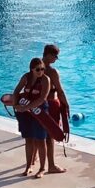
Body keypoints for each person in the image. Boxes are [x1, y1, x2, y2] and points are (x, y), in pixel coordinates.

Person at [1, 58, 52, 178]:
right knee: (28, 139)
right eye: (38, 69)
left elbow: (42, 98)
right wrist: (16, 105)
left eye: (42, 69)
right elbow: (17, 91)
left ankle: (42, 168)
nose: (41, 71)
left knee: (40, 140)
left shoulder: (46, 80)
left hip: (39, 111)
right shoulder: (26, 77)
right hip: (25, 111)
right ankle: (29, 166)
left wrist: (27, 107)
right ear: (32, 69)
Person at [40, 43, 70, 175]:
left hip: (37, 104)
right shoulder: (52, 72)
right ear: (48, 54)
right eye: (55, 56)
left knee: (38, 134)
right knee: (50, 135)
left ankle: (35, 160)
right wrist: (67, 104)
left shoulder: (35, 67)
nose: (56, 59)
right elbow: (60, 90)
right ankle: (51, 165)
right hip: (51, 104)